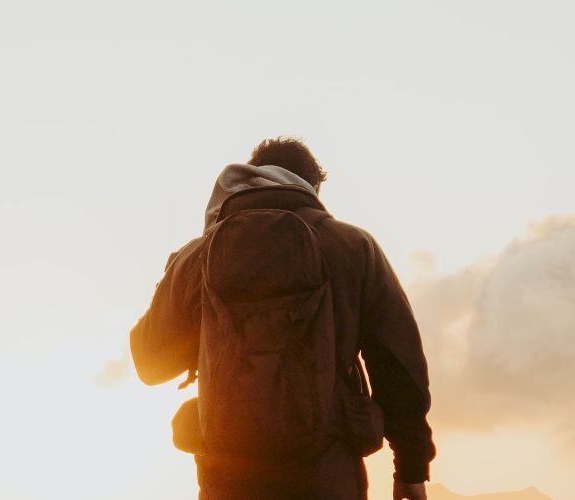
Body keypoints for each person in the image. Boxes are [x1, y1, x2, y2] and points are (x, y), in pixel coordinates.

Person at [131, 138, 435, 500]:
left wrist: (173, 277)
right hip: (329, 475)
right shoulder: (352, 246)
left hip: (227, 478)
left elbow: (150, 363)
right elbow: (398, 366)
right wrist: (412, 469)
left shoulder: (196, 257)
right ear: (312, 188)